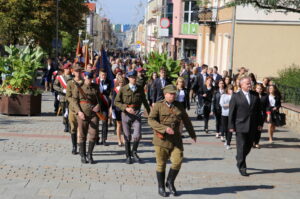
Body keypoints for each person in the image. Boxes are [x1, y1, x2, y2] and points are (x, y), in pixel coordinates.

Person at [148, 84, 197, 197]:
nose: (173, 96)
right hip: (161, 139)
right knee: (161, 163)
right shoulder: (158, 106)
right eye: (171, 94)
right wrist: (164, 129)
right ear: (165, 95)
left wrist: (192, 134)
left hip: (176, 139)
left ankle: (170, 182)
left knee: (177, 161)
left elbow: (186, 120)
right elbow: (151, 120)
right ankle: (161, 187)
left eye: (174, 94)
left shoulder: (179, 105)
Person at [114, 70, 151, 164]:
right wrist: (125, 108)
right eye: (132, 77)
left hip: (137, 114)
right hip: (126, 114)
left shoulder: (140, 88)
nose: (134, 79)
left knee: (137, 135)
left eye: (135, 77)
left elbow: (145, 101)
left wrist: (150, 113)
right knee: (127, 136)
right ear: (129, 78)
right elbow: (116, 102)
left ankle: (134, 152)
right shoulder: (123, 89)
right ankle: (128, 156)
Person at [229, 77, 262, 176]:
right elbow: (231, 112)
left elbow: (259, 111)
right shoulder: (236, 96)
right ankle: (242, 167)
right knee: (241, 146)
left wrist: (260, 124)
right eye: (247, 83)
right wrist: (231, 126)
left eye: (250, 83)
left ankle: (239, 157)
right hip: (240, 125)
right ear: (241, 85)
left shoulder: (255, 95)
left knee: (248, 146)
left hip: (252, 125)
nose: (249, 85)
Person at [72, 70, 102, 164]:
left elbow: (100, 99)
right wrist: (79, 112)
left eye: (91, 78)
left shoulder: (96, 87)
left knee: (93, 134)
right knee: (82, 135)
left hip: (94, 114)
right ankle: (83, 155)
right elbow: (74, 101)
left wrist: (98, 105)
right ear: (84, 77)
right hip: (83, 114)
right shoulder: (79, 87)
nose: (89, 80)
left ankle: (90, 154)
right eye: (88, 78)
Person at [66, 63, 84, 155]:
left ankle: (81, 147)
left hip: (82, 109)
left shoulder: (84, 82)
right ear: (73, 72)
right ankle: (74, 146)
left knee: (81, 129)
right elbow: (68, 96)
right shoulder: (70, 83)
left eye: (80, 71)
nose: (78, 73)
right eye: (76, 71)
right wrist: (73, 103)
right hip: (73, 109)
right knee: (73, 128)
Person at [53, 63, 73, 132]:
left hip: (71, 98)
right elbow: (55, 86)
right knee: (64, 112)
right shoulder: (60, 77)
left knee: (71, 112)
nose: (68, 70)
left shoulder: (73, 77)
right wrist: (62, 90)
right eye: (67, 68)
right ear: (64, 69)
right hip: (63, 97)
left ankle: (71, 124)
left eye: (69, 68)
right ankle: (66, 124)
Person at [95, 70, 112, 146]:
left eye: (105, 75)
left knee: (104, 122)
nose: (104, 76)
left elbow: (109, 92)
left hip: (105, 104)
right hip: (97, 104)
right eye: (102, 75)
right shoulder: (96, 81)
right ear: (99, 74)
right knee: (96, 123)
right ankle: (96, 138)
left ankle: (104, 139)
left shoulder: (108, 81)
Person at [254, 83, 269, 148]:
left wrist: (268, 115)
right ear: (255, 89)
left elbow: (267, 106)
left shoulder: (265, 95)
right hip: (253, 114)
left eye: (260, 88)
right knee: (253, 129)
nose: (259, 90)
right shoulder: (252, 95)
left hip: (261, 115)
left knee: (259, 129)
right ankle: (252, 142)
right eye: (257, 88)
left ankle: (257, 142)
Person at [111, 77, 125, 147]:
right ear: (118, 83)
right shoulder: (115, 90)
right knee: (119, 125)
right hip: (117, 109)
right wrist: (113, 110)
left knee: (125, 125)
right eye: (120, 82)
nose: (121, 83)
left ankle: (124, 139)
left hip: (125, 109)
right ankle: (119, 140)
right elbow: (113, 101)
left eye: (122, 82)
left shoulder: (126, 89)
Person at [220, 84, 234, 149]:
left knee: (230, 129)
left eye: (232, 89)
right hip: (224, 114)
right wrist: (230, 105)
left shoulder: (234, 96)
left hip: (231, 114)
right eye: (230, 89)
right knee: (225, 128)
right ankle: (226, 139)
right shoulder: (223, 95)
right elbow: (222, 104)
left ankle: (228, 143)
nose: (231, 90)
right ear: (227, 90)